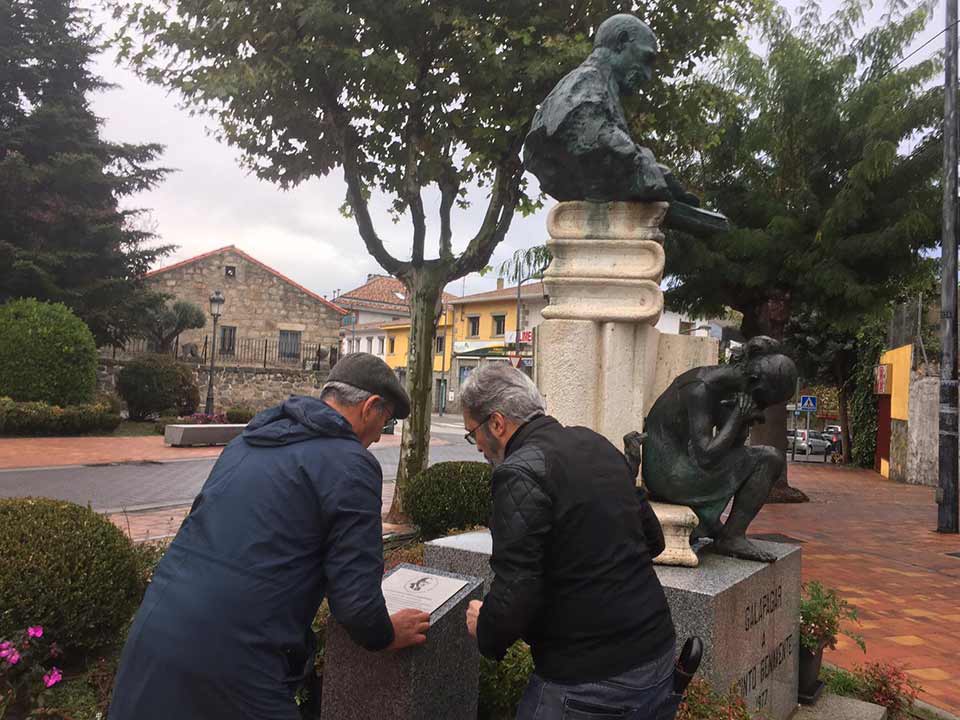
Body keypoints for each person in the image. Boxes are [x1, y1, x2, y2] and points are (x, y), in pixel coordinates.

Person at [109, 353, 430, 720]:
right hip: (238, 658)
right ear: (370, 407)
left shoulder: (250, 441)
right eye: (385, 421)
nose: (377, 437)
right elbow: (355, 601)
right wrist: (386, 635)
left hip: (156, 633)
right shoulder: (351, 464)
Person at [460, 363, 676, 719]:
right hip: (658, 654)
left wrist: (486, 630)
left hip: (588, 680)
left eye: (474, 434)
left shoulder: (519, 471)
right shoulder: (597, 443)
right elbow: (653, 541)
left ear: (497, 423)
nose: (478, 446)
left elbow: (517, 589)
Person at [641, 337, 798, 562]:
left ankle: (719, 529)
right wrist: (738, 417)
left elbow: (730, 448)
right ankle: (732, 536)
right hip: (669, 474)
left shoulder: (725, 388)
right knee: (770, 458)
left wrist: (741, 421)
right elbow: (706, 456)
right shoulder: (700, 388)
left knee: (759, 458)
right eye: (762, 401)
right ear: (753, 381)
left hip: (680, 467)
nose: (761, 408)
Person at [523, 13, 699, 206]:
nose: (648, 75)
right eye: (646, 59)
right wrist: (654, 171)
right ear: (621, 42)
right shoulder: (586, 81)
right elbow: (597, 139)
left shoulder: (601, 88)